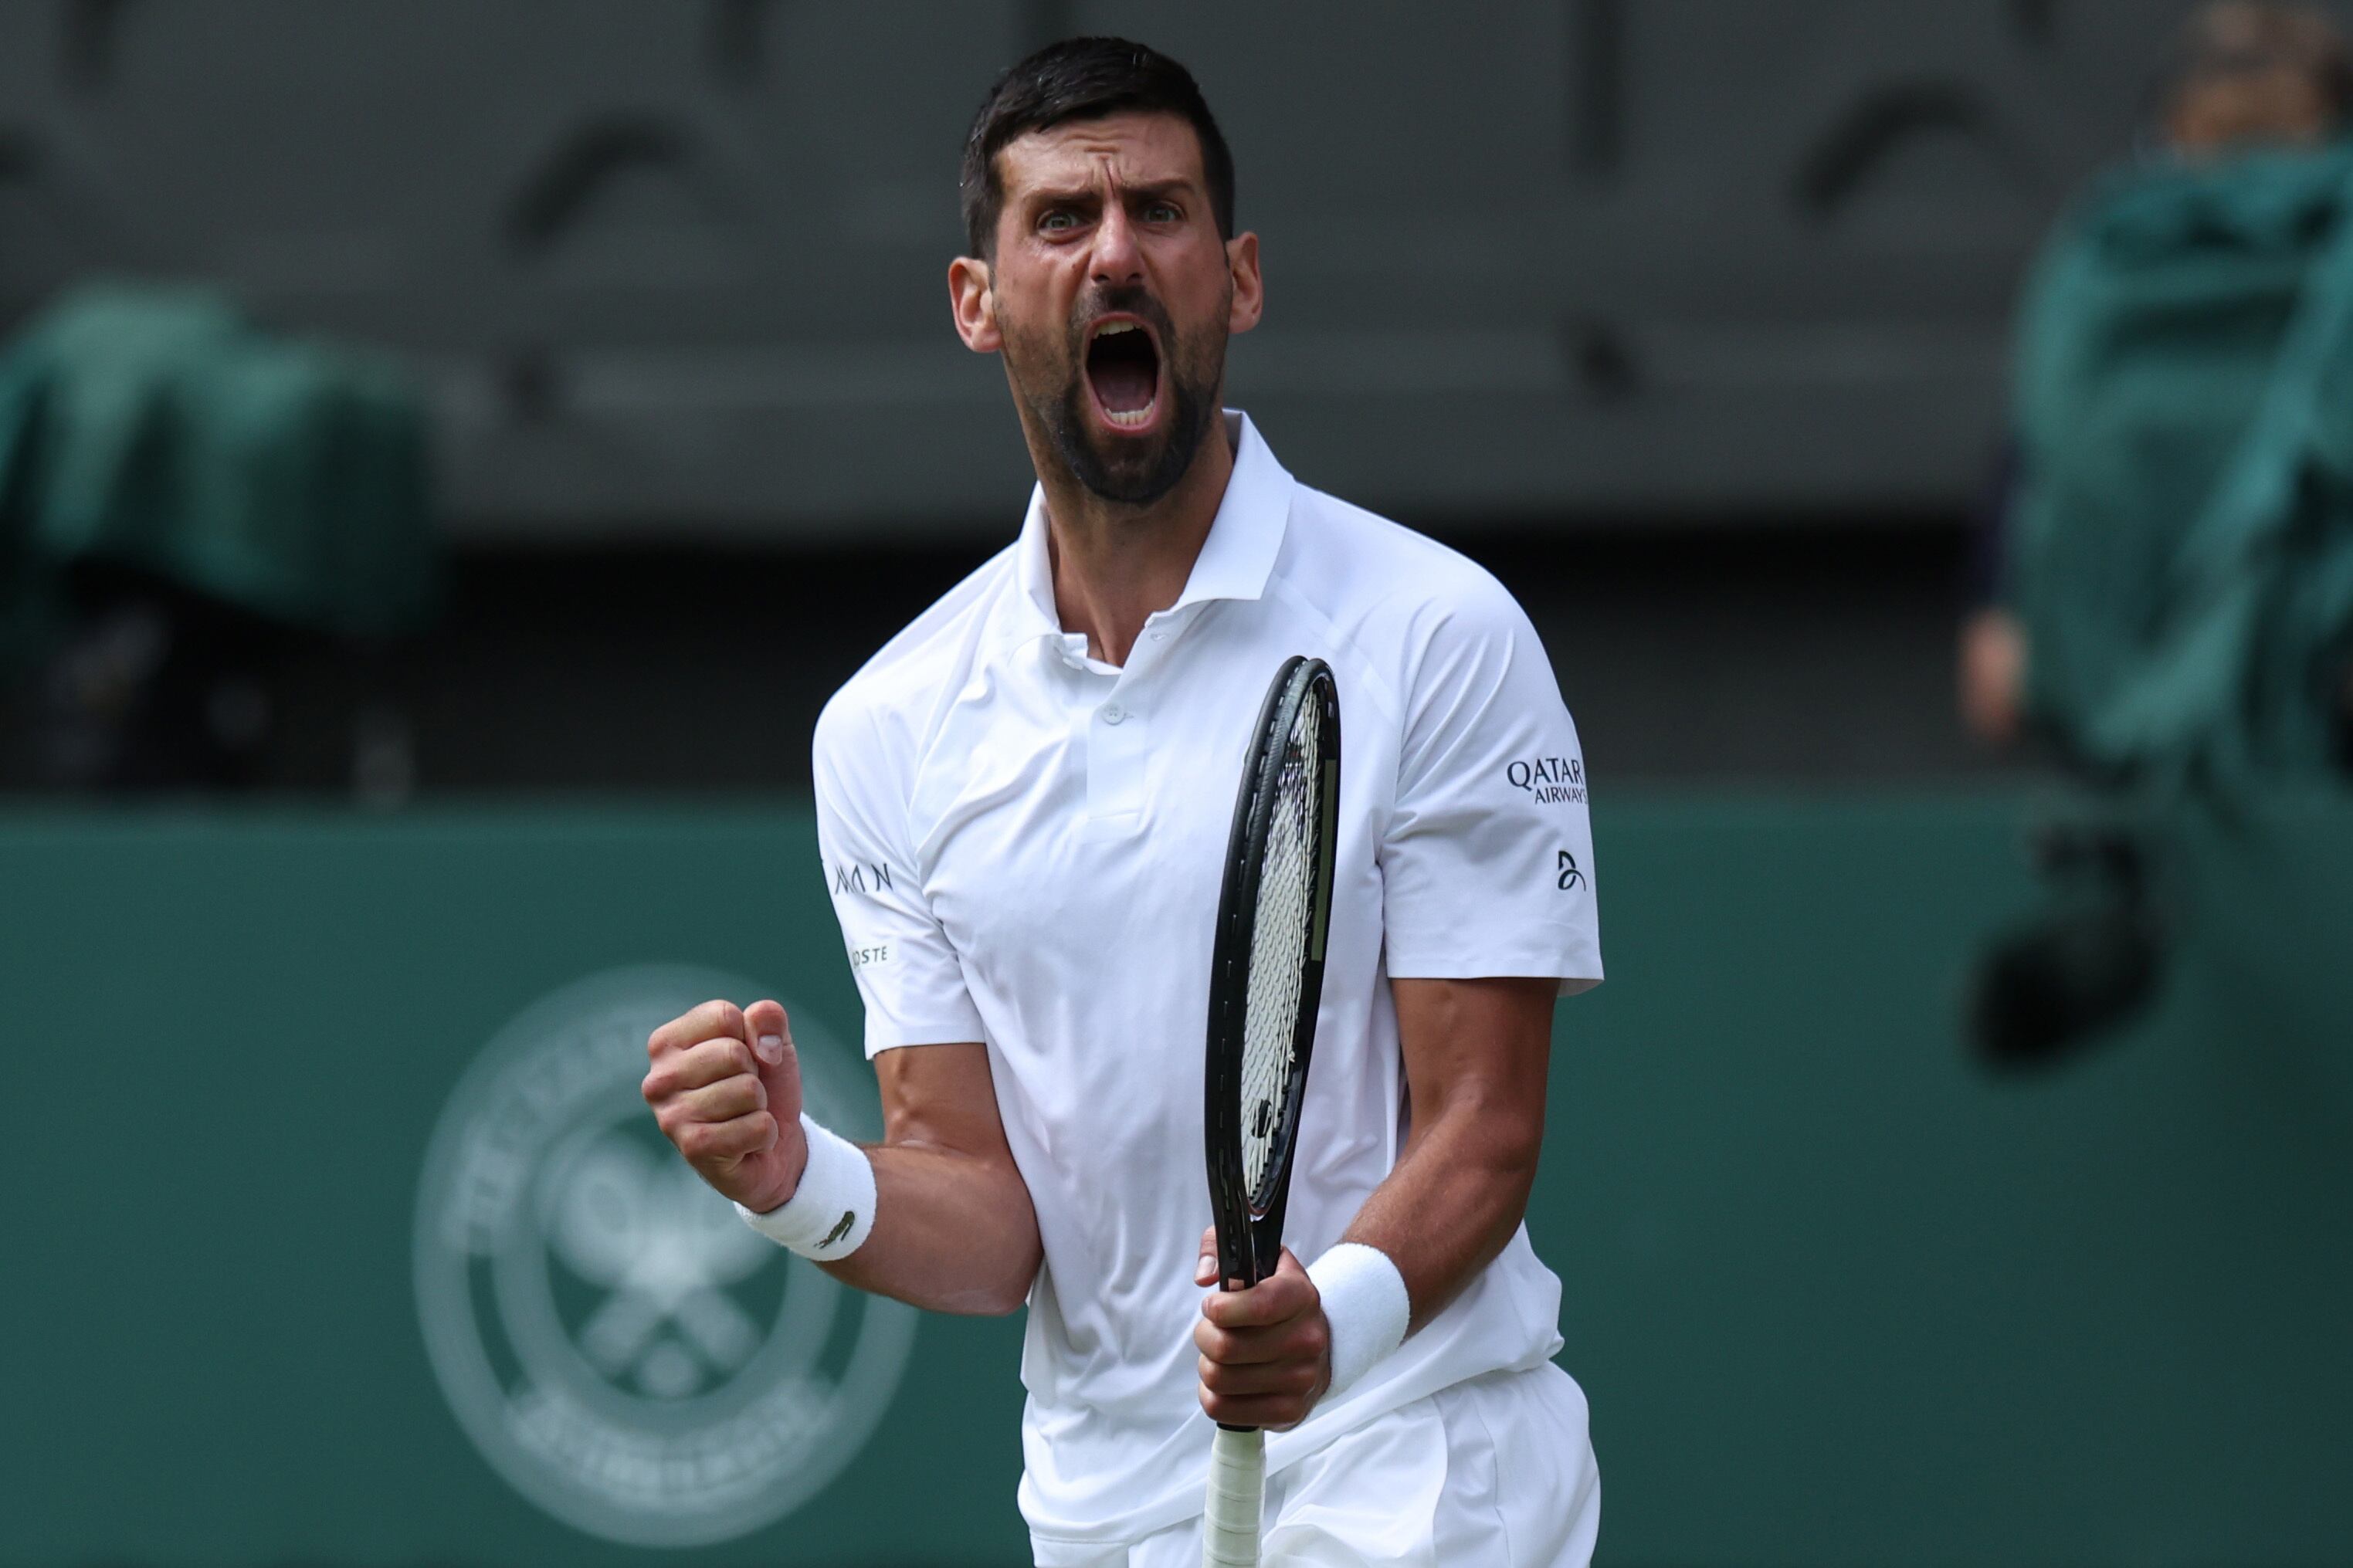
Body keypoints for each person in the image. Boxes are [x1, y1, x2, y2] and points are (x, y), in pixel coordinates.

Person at [640, 39, 1603, 1565]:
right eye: (1058, 221)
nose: (1112, 251)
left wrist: (1328, 1317)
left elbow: (1485, 1123)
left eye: (1158, 212)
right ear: (977, 301)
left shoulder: (1437, 632)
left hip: (1417, 1453)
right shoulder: (888, 731)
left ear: (1238, 278)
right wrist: (793, 1177)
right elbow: (989, 1214)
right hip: (1107, 1507)